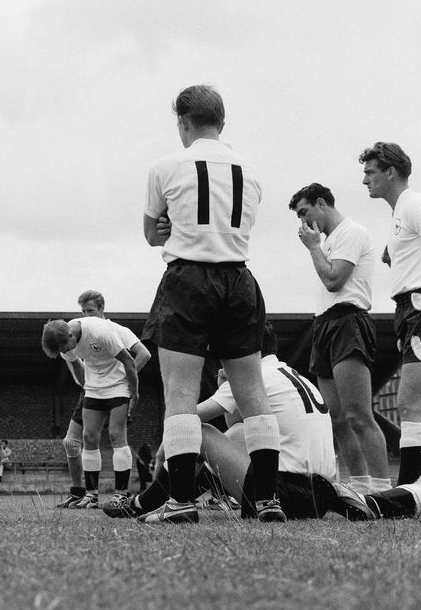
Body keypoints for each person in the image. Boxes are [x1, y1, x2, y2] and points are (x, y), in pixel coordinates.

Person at [142, 85, 284, 524]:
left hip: (189, 279)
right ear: (222, 122)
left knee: (180, 395)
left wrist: (170, 226)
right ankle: (266, 500)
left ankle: (181, 500)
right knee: (253, 394)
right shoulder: (252, 173)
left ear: (183, 122)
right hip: (240, 280)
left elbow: (151, 234)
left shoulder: (165, 166)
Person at [107, 326, 342, 522]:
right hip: (320, 496)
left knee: (198, 430)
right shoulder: (292, 375)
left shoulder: (252, 375)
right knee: (240, 432)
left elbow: (188, 416)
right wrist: (223, 386)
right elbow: (237, 428)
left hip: (282, 492)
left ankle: (147, 502)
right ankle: (157, 499)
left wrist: (164, 450)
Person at [288, 182, 389, 492]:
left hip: (349, 321)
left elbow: (334, 280)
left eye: (305, 212)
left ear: (322, 203)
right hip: (324, 324)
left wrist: (314, 247)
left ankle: (384, 489)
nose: (303, 222)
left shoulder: (351, 232)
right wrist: (318, 246)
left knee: (358, 413)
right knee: (336, 417)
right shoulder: (327, 240)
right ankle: (360, 483)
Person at [360, 142, 421, 485]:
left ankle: (410, 486)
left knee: (409, 402)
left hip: (418, 309)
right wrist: (392, 254)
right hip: (407, 312)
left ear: (391, 172)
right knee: (414, 403)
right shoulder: (399, 213)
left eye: (370, 172)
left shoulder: (412, 204)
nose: (365, 180)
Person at [41, 315, 143, 509]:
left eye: (66, 347)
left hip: (118, 384)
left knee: (116, 435)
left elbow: (129, 361)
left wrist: (134, 393)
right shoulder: (65, 344)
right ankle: (91, 495)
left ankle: (121, 494)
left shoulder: (100, 332)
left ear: (71, 335)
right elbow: (77, 366)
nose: (66, 351)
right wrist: (87, 388)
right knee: (88, 437)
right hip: (94, 388)